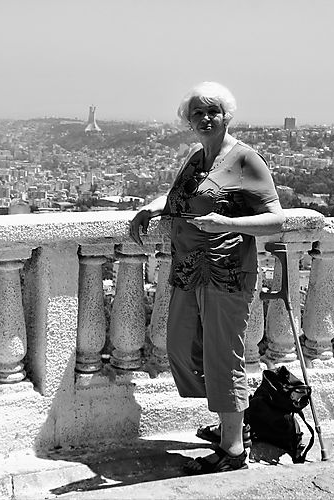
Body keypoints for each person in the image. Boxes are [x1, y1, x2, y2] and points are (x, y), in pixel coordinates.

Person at [129, 82, 285, 474]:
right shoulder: (197, 159)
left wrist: (227, 223)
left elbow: (277, 219)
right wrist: (150, 209)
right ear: (189, 120)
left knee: (222, 355)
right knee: (180, 347)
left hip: (227, 270)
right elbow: (180, 201)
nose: (204, 118)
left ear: (227, 115)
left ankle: (232, 448)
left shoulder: (246, 159)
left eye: (212, 110)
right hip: (187, 269)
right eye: (197, 112)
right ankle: (233, 416)